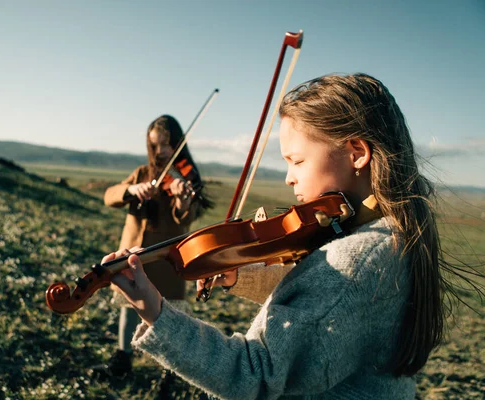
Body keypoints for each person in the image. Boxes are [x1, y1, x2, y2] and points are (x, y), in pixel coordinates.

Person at [101, 74, 460, 399]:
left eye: (297, 161)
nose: (289, 177)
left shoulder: (359, 258)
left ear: (356, 153)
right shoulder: (393, 231)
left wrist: (155, 309)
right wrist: (240, 274)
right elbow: (315, 302)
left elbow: (253, 374)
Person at [101, 114, 212, 377]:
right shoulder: (142, 173)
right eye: (155, 145)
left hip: (165, 257)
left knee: (168, 315)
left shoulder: (185, 177)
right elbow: (110, 196)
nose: (161, 152)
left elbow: (186, 217)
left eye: (166, 144)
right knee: (129, 305)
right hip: (133, 252)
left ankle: (169, 372)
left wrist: (183, 203)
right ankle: (122, 358)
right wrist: (132, 190)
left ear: (178, 144)